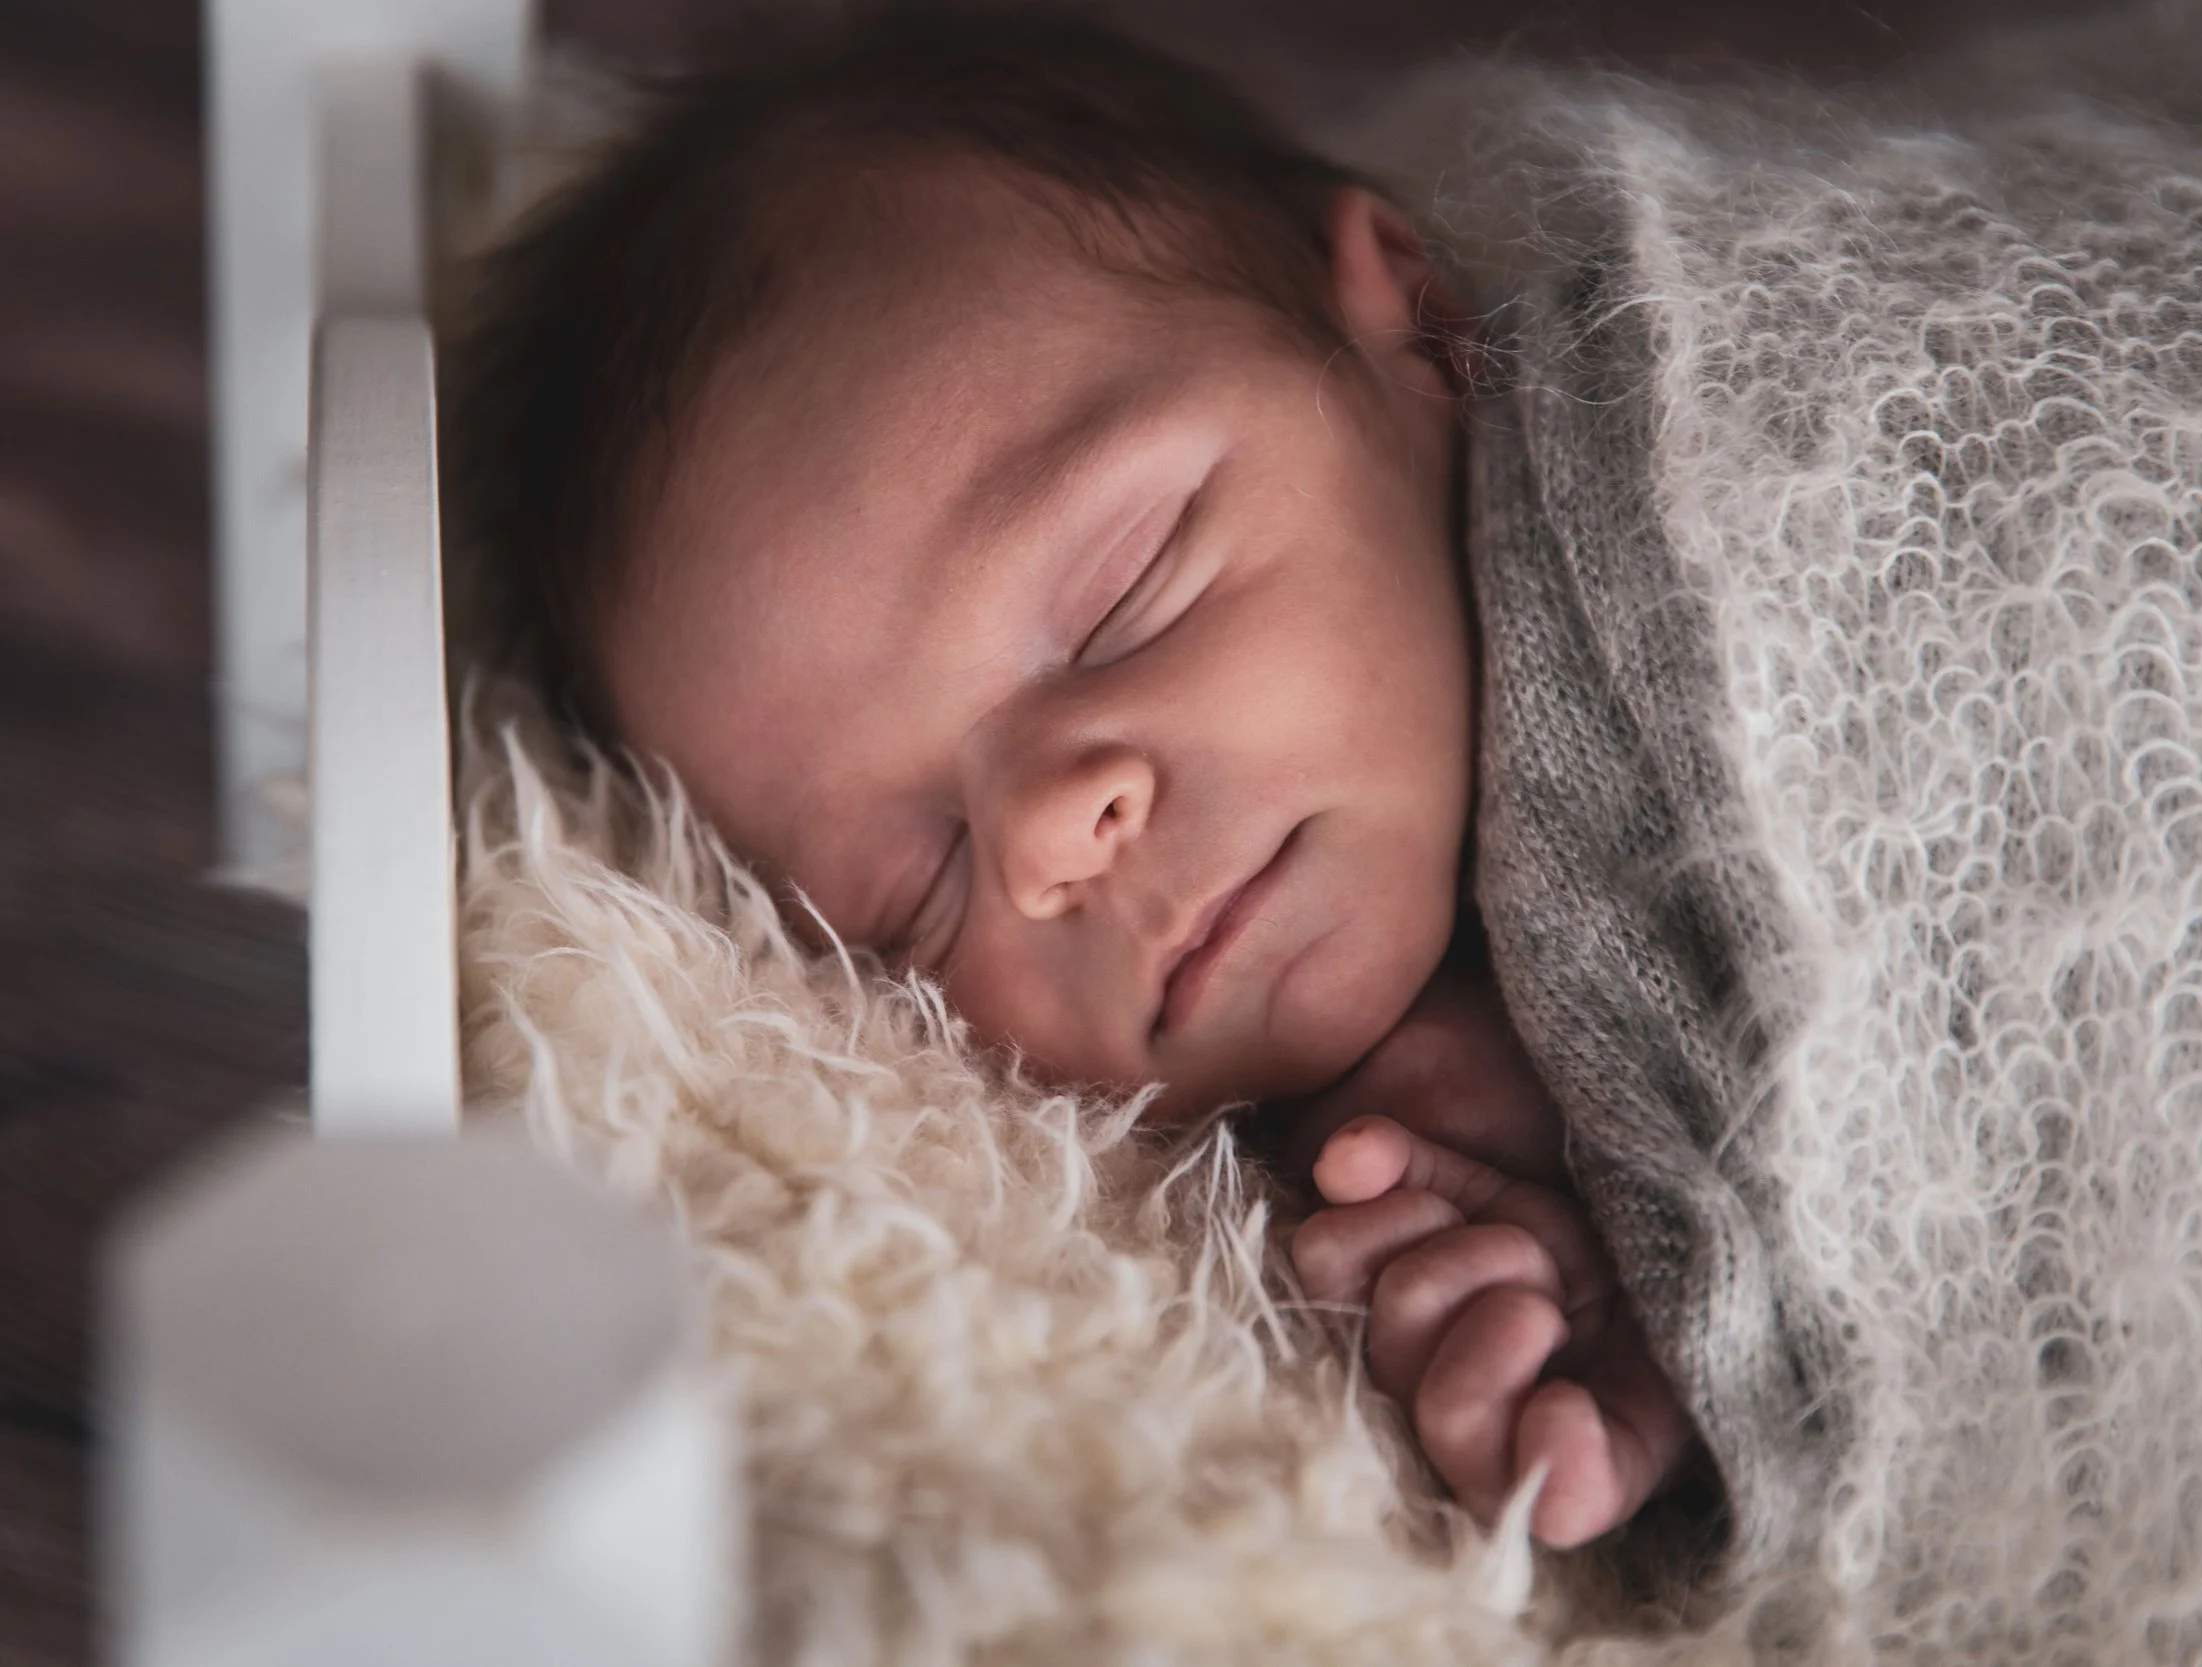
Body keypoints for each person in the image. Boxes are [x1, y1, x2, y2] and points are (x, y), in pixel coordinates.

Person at [449, 9, 1696, 1550]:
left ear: (1422, 326)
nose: (1051, 837)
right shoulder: (1397, 1194)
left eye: (1123, 595)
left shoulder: (1686, 473)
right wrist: (1663, 1253)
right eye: (916, 889)